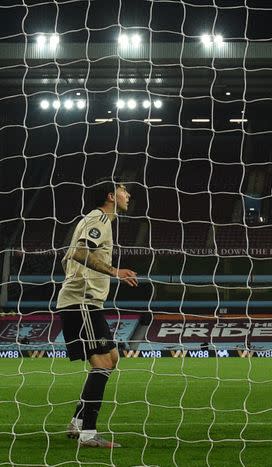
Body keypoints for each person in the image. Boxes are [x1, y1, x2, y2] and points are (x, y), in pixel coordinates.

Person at [59, 179, 138, 448]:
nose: (128, 194)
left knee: (112, 358)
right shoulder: (100, 219)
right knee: (102, 364)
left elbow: (69, 256)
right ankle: (89, 434)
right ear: (110, 196)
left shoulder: (97, 220)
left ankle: (78, 422)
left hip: (86, 302)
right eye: (123, 190)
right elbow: (81, 252)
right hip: (82, 302)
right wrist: (115, 272)